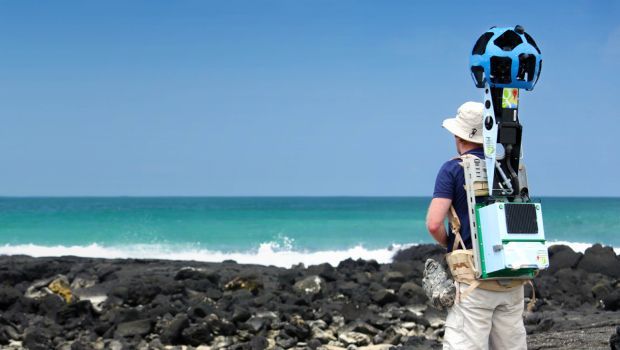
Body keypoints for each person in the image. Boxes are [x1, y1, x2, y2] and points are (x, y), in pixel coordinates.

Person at [426, 101, 527, 350]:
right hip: (512, 275)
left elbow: (434, 223)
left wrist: (451, 245)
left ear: (458, 135)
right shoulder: (510, 168)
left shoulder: (453, 168)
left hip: (474, 279)